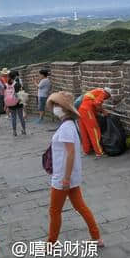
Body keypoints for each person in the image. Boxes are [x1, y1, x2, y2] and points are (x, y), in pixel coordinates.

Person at [45, 91, 103, 247]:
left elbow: (70, 153)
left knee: (54, 211)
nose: (55, 107)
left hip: (63, 176)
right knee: (80, 206)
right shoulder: (69, 125)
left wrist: (65, 178)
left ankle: (51, 243)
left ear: (64, 108)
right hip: (70, 175)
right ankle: (96, 237)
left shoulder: (66, 128)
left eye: (57, 105)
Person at [78, 87, 112, 157]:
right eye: (107, 98)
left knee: (84, 132)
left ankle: (87, 150)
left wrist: (98, 112)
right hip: (87, 111)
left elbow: (93, 103)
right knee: (94, 131)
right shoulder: (103, 93)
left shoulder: (97, 91)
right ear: (107, 94)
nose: (105, 99)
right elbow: (97, 103)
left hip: (81, 110)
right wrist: (104, 111)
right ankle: (99, 152)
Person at [5, 71, 27, 136]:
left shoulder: (6, 85)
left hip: (10, 102)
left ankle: (14, 132)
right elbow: (21, 94)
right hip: (18, 102)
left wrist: (6, 104)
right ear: (15, 77)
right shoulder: (17, 84)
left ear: (9, 77)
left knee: (13, 117)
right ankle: (24, 130)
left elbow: (5, 94)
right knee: (21, 117)